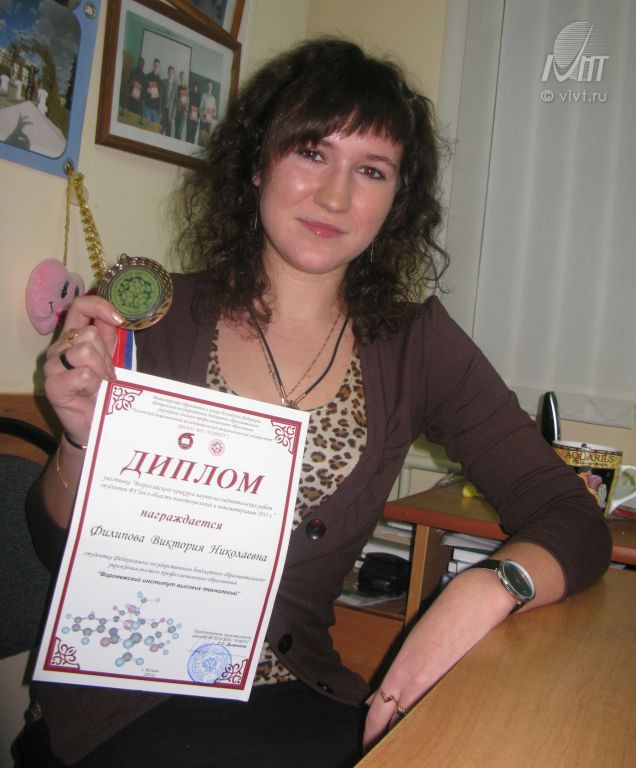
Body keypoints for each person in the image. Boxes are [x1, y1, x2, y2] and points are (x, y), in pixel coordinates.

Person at [19, 38, 611, 767]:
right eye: (311, 152)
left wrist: (490, 587)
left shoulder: (415, 346)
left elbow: (571, 515)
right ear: (258, 162)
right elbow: (56, 552)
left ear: (397, 198)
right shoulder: (153, 320)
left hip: (294, 694)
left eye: (371, 170)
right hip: (129, 696)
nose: (335, 196)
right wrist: (82, 441)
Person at [198, 79, 217, 146]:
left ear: (212, 87)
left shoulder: (214, 99)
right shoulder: (203, 95)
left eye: (210, 86)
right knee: (200, 138)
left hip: (209, 121)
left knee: (206, 140)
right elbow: (200, 108)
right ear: (207, 86)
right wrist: (201, 118)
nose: (209, 87)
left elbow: (215, 112)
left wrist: (213, 113)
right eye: (208, 86)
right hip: (203, 119)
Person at [160, 65, 178, 137]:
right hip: (163, 110)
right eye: (169, 72)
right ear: (167, 73)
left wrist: (173, 116)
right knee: (161, 130)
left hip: (170, 112)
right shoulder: (163, 82)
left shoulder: (175, 86)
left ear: (174, 74)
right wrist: (160, 112)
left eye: (172, 72)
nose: (171, 74)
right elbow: (161, 98)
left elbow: (175, 102)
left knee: (168, 133)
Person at [143, 59, 162, 125]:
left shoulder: (160, 81)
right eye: (155, 65)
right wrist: (147, 90)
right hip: (147, 107)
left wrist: (159, 111)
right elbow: (143, 90)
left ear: (159, 68)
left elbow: (160, 98)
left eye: (158, 66)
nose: (157, 67)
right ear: (153, 66)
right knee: (146, 127)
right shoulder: (148, 76)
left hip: (156, 111)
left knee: (154, 129)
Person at [175, 70, 189, 141]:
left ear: (184, 78)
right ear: (179, 77)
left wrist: (186, 108)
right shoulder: (177, 87)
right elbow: (175, 98)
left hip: (183, 112)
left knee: (179, 132)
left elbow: (187, 102)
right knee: (176, 131)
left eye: (182, 77)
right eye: (180, 77)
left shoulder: (186, 88)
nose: (181, 78)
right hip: (177, 111)